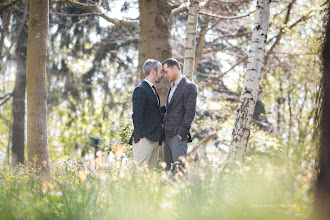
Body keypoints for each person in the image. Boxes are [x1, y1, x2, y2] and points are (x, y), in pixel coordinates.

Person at [161, 58, 197, 172]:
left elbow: (190, 112)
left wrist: (181, 133)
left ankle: (182, 190)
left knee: (180, 171)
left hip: (178, 135)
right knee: (168, 171)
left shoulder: (189, 86)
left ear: (175, 68)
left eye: (166, 72)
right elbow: (169, 109)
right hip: (166, 135)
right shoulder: (172, 87)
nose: (165, 75)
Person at [131, 59, 164, 169]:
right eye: (161, 72)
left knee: (150, 177)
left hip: (154, 139)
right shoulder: (141, 89)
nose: (162, 75)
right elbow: (137, 115)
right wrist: (141, 136)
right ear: (153, 71)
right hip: (144, 140)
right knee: (140, 175)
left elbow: (153, 112)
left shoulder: (152, 90)